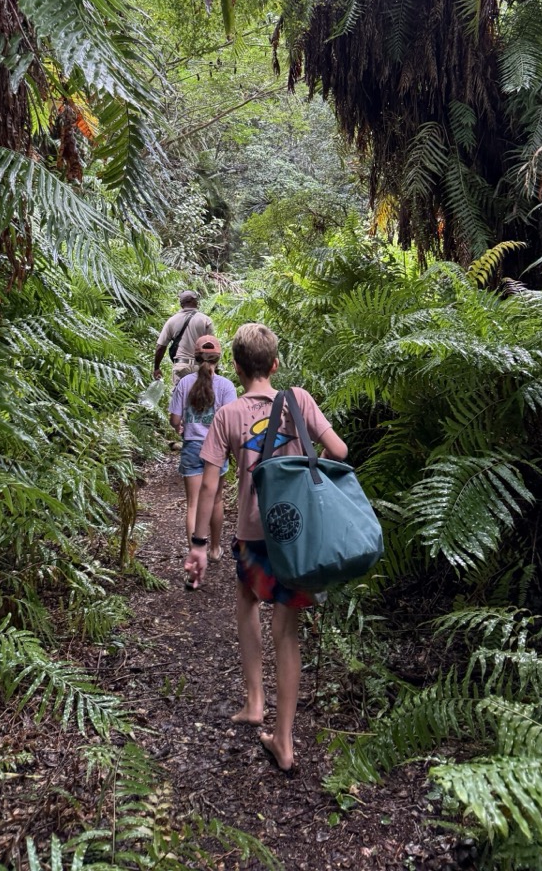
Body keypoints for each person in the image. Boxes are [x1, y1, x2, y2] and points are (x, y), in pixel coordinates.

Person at [184, 322, 347, 774]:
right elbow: (339, 450)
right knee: (288, 629)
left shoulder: (228, 415)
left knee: (247, 600)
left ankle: (255, 702)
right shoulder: (301, 401)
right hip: (297, 537)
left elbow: (210, 488)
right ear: (275, 364)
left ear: (236, 368)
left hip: (254, 533)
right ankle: (285, 739)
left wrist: (199, 544)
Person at [169, 334, 237, 563]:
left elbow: (175, 419)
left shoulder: (184, 383)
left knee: (194, 504)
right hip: (217, 449)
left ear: (195, 358)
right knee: (217, 500)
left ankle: (195, 554)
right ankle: (215, 549)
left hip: (191, 448)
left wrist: (182, 427)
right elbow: (230, 422)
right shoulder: (227, 386)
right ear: (218, 358)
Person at [153, 290, 215, 386]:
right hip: (200, 367)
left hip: (181, 367)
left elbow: (160, 347)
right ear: (194, 301)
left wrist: (156, 368)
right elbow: (211, 347)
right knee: (199, 399)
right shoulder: (205, 320)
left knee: (180, 398)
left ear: (181, 304)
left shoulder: (172, 321)